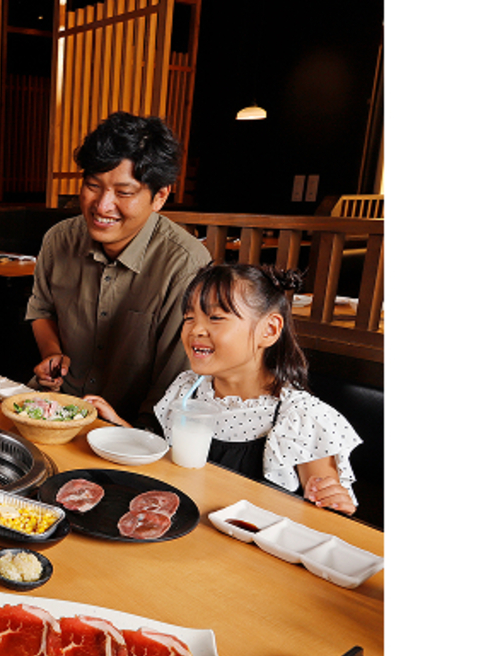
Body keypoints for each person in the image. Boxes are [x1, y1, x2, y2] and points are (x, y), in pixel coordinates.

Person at [87, 264, 362, 514]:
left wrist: (335, 503)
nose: (196, 330)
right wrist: (117, 425)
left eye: (216, 318)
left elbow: (326, 514)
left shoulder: (301, 417)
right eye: (189, 317)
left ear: (269, 329)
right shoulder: (187, 388)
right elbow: (162, 460)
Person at [26, 111, 210, 430]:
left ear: (160, 196)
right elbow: (41, 309)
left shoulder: (185, 263)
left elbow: (175, 382)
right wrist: (52, 354)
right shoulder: (59, 240)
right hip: (53, 409)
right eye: (93, 186)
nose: (102, 205)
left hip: (129, 428)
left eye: (123, 193)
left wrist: (129, 433)